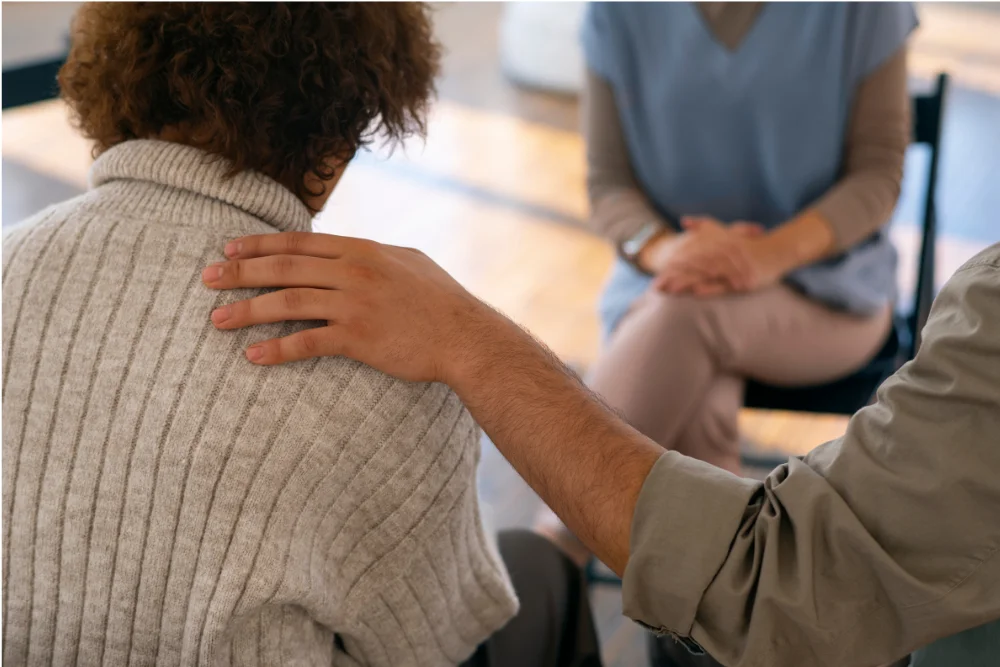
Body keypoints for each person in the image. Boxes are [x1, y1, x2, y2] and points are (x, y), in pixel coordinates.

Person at [0, 4, 562, 666]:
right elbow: (440, 636)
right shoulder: (392, 370)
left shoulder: (9, 261)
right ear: (333, 150)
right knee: (544, 575)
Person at [200, 229, 1000, 667]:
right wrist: (667, 250)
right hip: (672, 272)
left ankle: (569, 542)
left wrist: (465, 337)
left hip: (812, 282)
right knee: (692, 371)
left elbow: (784, 591)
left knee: (684, 339)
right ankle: (588, 554)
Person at [582, 1, 916, 478]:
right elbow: (609, 184)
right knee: (696, 395)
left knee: (687, 314)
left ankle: (560, 537)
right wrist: (665, 250)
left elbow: (878, 176)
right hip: (665, 276)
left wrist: (764, 257)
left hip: (828, 287)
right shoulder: (614, 10)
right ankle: (721, 552)